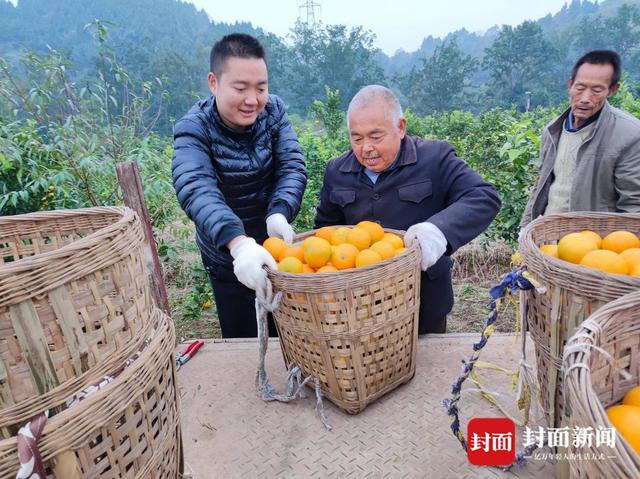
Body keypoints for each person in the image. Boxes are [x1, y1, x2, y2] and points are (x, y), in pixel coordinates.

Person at [314, 85, 501, 334]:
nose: (366, 148)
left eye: (375, 136)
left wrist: (438, 231)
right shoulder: (337, 171)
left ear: (400, 127)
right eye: (356, 138)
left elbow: (483, 196)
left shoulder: (435, 159)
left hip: (424, 303)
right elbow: (325, 232)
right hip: (360, 307)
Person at [172, 33, 307, 338]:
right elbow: (195, 187)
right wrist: (239, 244)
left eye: (261, 88)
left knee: (289, 338)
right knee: (245, 341)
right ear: (213, 82)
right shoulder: (194, 129)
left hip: (276, 253)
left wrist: (279, 211)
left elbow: (292, 166)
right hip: (229, 258)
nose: (252, 100)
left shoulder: (274, 113)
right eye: (240, 88)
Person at [521, 50, 640, 228]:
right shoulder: (552, 131)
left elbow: (633, 205)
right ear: (570, 85)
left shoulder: (629, 134)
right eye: (580, 88)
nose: (585, 98)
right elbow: (541, 187)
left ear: (613, 90)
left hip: (593, 247)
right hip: (547, 239)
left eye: (597, 90)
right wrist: (525, 228)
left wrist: (616, 250)